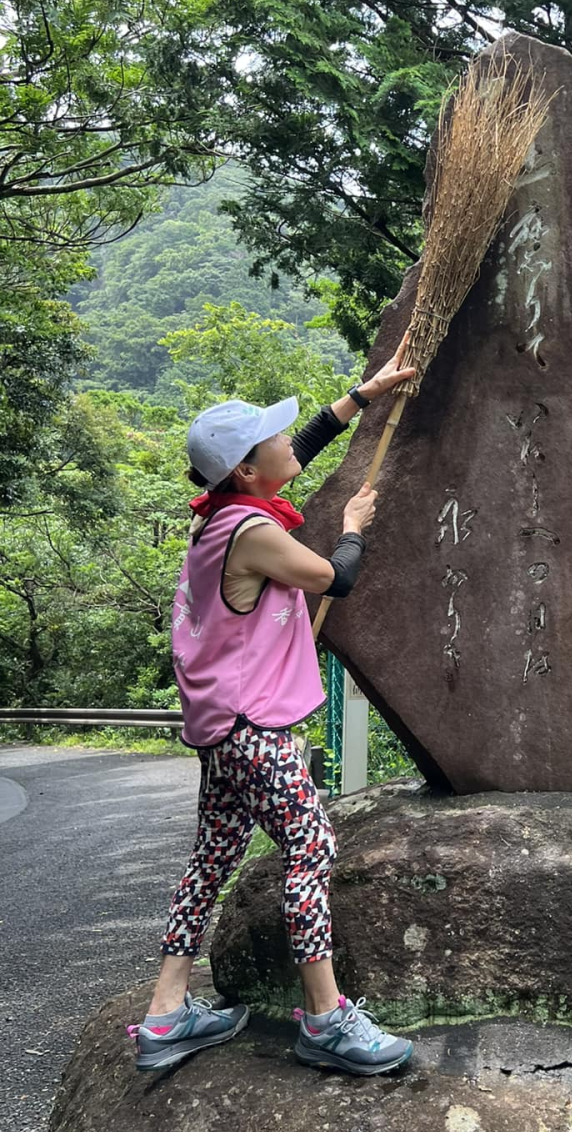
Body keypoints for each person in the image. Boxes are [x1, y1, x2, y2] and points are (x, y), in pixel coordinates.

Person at [128, 336, 417, 1077]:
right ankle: (324, 1019)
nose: (291, 438)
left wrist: (366, 393)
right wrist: (354, 526)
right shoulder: (255, 533)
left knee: (212, 857)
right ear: (248, 470)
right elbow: (333, 577)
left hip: (220, 728)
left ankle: (167, 1012)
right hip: (255, 730)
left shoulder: (217, 517)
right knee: (311, 846)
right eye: (275, 436)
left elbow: (301, 449)